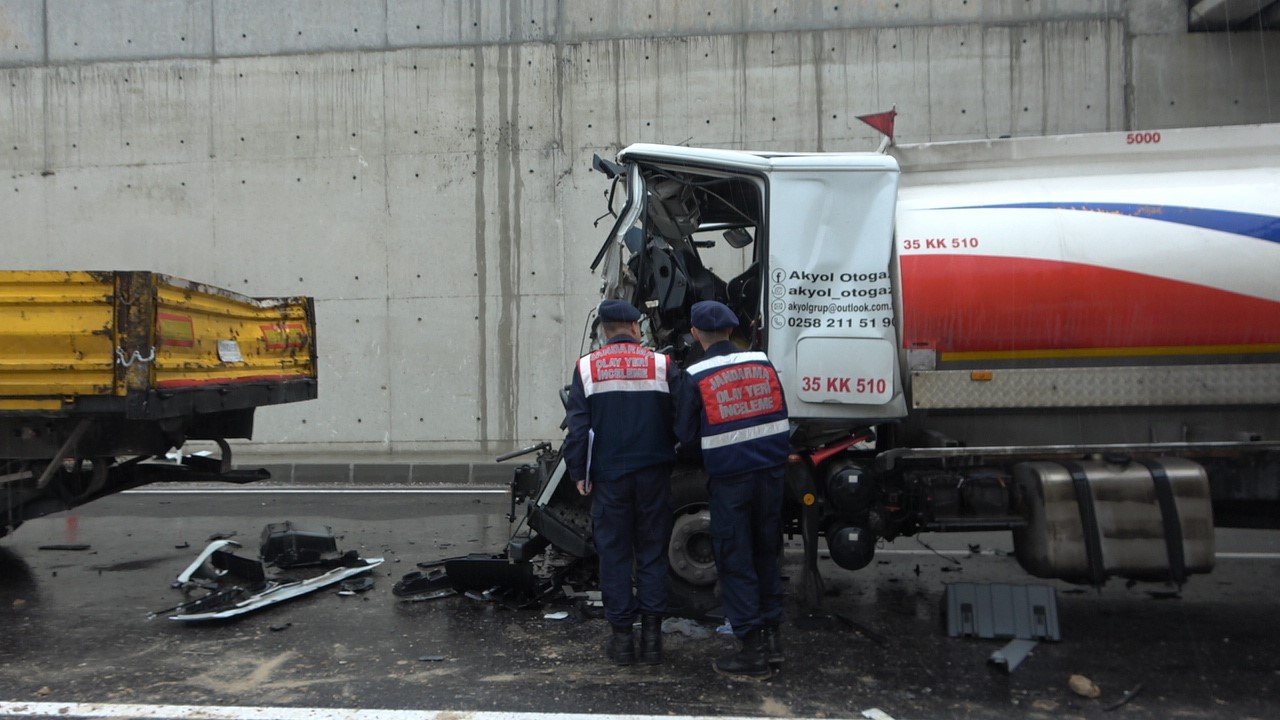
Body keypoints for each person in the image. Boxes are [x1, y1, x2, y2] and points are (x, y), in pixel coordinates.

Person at [675, 300, 790, 679]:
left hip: (731, 481)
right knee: (766, 552)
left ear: (696, 334)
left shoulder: (695, 374)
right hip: (771, 476)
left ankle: (752, 651)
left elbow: (686, 436)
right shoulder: (762, 361)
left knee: (735, 558)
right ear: (730, 329)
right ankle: (773, 641)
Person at [563, 299, 678, 666]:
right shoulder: (661, 364)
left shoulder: (587, 367)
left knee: (614, 556)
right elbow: (682, 415)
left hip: (610, 479)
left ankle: (623, 641)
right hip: (654, 475)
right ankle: (653, 641)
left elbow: (578, 430)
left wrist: (579, 473)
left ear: (603, 330)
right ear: (633, 327)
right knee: (651, 553)